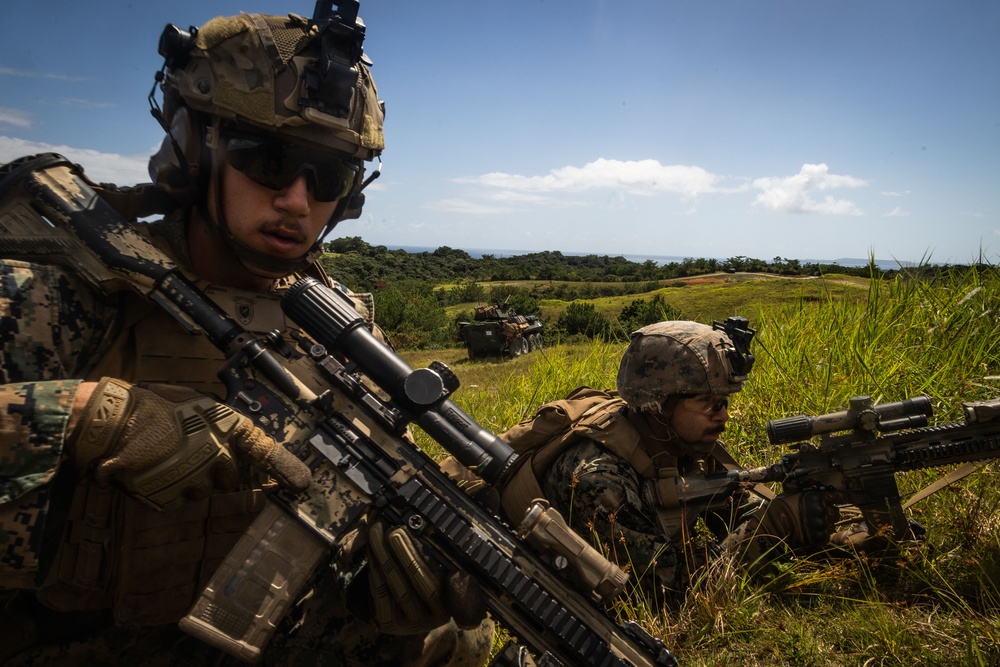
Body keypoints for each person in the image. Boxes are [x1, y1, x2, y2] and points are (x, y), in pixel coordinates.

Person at [0, 7, 492, 666]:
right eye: (269, 159)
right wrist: (90, 416)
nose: (297, 199)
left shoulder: (342, 327)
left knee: (458, 642)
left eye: (328, 177)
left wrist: (384, 585)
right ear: (190, 148)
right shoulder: (61, 291)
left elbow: (351, 524)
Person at [489, 320, 844, 607]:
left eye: (724, 402)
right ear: (658, 404)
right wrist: (773, 529)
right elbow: (663, 589)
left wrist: (813, 518)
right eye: (708, 402)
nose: (724, 416)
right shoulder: (598, 480)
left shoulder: (672, 440)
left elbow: (733, 511)